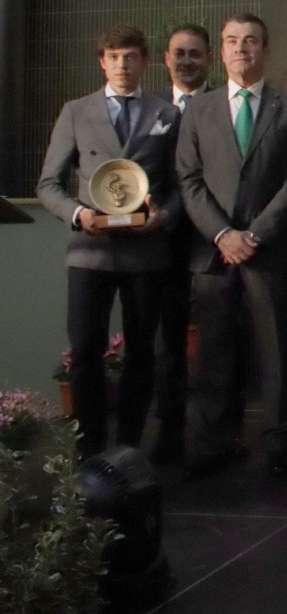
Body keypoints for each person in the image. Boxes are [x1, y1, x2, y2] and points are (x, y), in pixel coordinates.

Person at [37, 25, 183, 458]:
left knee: (142, 351)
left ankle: (128, 448)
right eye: (114, 57)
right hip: (90, 252)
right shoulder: (76, 112)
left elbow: (181, 185)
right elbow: (48, 184)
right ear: (102, 62)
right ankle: (89, 449)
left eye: (131, 56)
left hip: (146, 252)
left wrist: (163, 216)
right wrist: (79, 214)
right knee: (85, 350)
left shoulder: (167, 114)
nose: (122, 65)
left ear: (145, 62)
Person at [176, 14, 287, 480]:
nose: (240, 49)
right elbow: (189, 180)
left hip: (268, 250)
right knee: (214, 354)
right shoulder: (199, 110)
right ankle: (215, 442)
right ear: (221, 51)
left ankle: (279, 441)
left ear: (265, 50)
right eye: (232, 41)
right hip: (213, 253)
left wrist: (254, 234)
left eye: (250, 41)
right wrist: (222, 234)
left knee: (276, 354)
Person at [150, 23, 212, 463]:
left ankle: (215, 434)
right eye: (179, 53)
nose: (186, 60)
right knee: (167, 342)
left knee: (217, 342)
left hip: (213, 238)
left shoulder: (225, 106)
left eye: (194, 53)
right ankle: (169, 432)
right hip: (162, 242)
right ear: (166, 59)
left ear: (209, 58)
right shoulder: (150, 110)